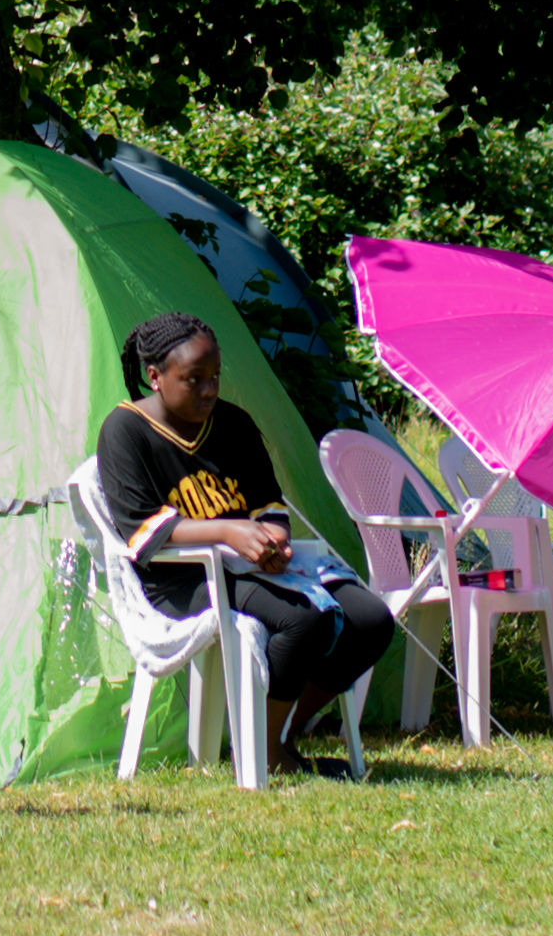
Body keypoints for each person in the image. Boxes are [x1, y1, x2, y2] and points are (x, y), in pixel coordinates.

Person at [91, 311, 395, 771]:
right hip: (180, 580)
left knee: (371, 620)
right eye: (194, 379)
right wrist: (229, 531)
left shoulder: (232, 423)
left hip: (249, 565)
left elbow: (267, 503)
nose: (210, 390)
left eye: (214, 377)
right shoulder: (125, 432)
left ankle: (283, 730)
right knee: (303, 620)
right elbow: (141, 532)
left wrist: (273, 537)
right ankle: (261, 750)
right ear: (155, 377)